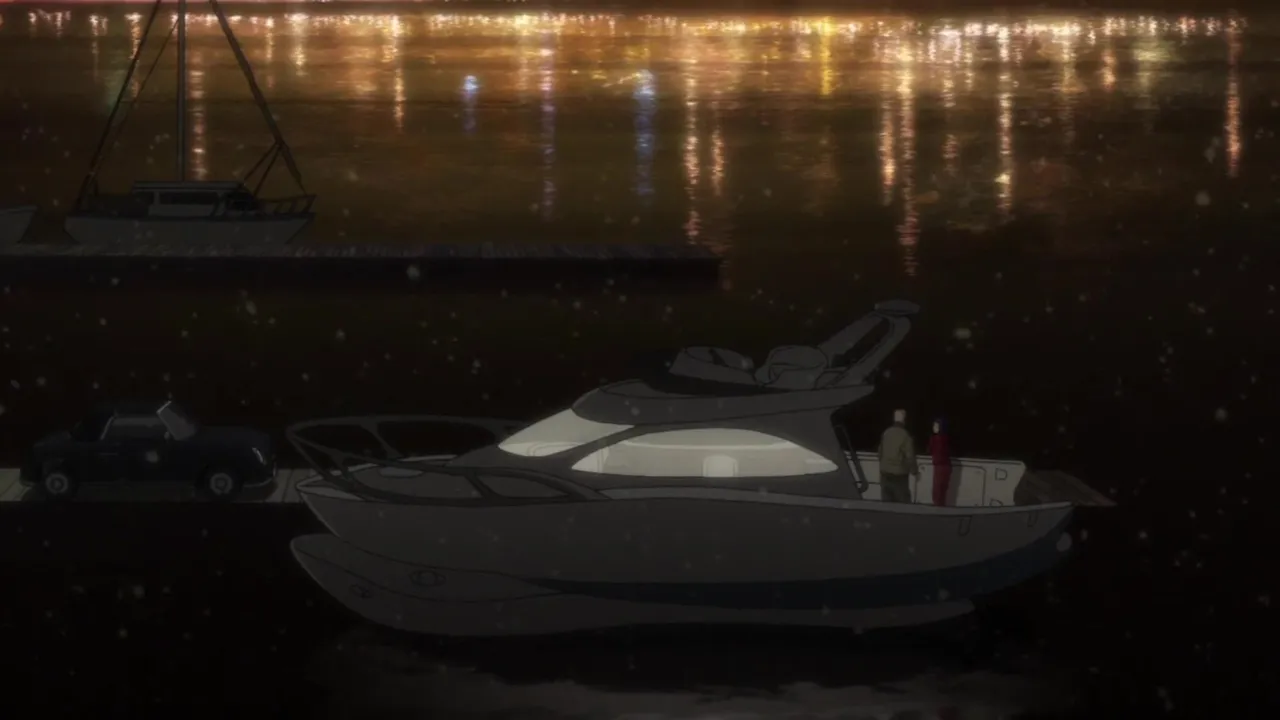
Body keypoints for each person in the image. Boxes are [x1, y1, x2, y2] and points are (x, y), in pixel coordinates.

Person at [877, 409, 918, 503]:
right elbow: (910, 457)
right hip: (899, 476)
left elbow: (879, 453)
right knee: (902, 505)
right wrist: (914, 471)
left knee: (886, 504)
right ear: (904, 420)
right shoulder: (905, 435)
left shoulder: (886, 433)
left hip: (885, 474)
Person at [929, 418, 952, 506]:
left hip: (939, 466)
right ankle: (941, 506)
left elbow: (931, 450)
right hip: (946, 466)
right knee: (942, 490)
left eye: (936, 426)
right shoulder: (947, 438)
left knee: (937, 490)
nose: (934, 427)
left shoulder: (935, 439)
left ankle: (937, 507)